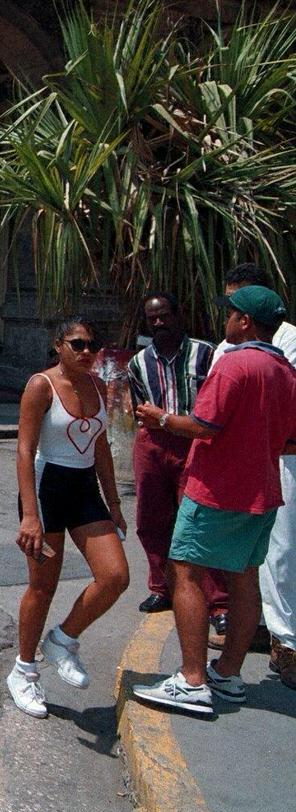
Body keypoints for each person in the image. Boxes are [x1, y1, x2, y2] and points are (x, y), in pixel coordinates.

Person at [133, 286, 296, 711]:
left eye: (230, 314)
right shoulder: (284, 371)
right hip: (262, 491)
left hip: (217, 488)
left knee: (185, 571)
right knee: (244, 577)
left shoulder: (234, 364)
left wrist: (160, 417)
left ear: (244, 321)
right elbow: (291, 441)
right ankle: (228, 674)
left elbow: (203, 425)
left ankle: (192, 680)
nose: (224, 320)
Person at [8, 317, 129, 719]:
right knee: (42, 586)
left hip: (84, 491)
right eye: (77, 344)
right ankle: (24, 671)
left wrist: (113, 503)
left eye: (93, 345)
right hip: (46, 491)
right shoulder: (40, 385)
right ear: (58, 345)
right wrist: (30, 515)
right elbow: (25, 450)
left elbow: (100, 449)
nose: (87, 352)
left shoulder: (97, 385)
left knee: (115, 576)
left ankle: (63, 639)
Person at [209, 265, 296, 678]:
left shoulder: (290, 341)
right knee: (249, 557)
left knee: (281, 551)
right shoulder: (224, 349)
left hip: (282, 462)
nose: (229, 313)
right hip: (237, 466)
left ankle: (287, 643)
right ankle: (259, 627)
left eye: (235, 303)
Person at [125, 293, 221, 618]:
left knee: (198, 520)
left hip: (193, 443)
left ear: (178, 314)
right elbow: (139, 408)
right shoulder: (138, 362)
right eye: (153, 319)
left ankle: (218, 602)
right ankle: (160, 588)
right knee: (150, 520)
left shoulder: (204, 354)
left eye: (164, 316)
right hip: (152, 443)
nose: (159, 323)